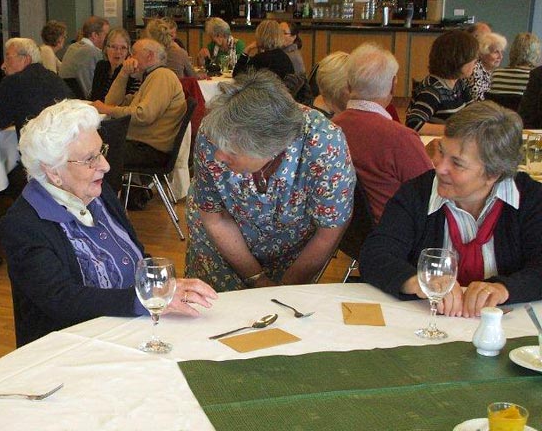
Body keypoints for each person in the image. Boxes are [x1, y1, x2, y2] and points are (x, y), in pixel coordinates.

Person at [0, 99, 218, 347]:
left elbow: (133, 257)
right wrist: (144, 299)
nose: (105, 165)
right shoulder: (24, 224)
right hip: (71, 351)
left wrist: (165, 286)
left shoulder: (99, 194)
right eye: (90, 159)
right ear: (53, 172)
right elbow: (62, 300)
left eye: (101, 152)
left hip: (132, 330)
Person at [361, 101, 542, 318]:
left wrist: (504, 288)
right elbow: (375, 254)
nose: (440, 167)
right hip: (427, 322)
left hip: (508, 327)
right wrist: (417, 281)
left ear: (493, 174)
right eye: (441, 151)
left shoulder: (531, 200)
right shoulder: (417, 193)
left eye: (457, 163)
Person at [185, 70, 355, 291]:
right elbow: (215, 218)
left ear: (270, 147)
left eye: (231, 151)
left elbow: (329, 230)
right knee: (216, 313)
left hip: (294, 254)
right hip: (222, 245)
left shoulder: (323, 144)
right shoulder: (214, 131)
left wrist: (282, 289)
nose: (218, 156)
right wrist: (256, 278)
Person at [331, 43, 433, 223]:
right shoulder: (400, 138)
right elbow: (432, 195)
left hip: (348, 235)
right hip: (397, 235)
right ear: (393, 85)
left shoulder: (329, 130)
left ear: (348, 85)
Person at [93, 38, 186, 167]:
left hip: (150, 149)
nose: (129, 58)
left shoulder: (162, 76)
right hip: (141, 143)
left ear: (150, 56)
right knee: (95, 145)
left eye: (134, 53)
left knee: (94, 152)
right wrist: (124, 73)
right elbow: (112, 102)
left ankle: (110, 187)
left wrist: (106, 109)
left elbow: (143, 115)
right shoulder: (150, 77)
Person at [0, 37, 73, 137]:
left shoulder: (13, 82)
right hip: (63, 145)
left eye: (8, 58)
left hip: (34, 149)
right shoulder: (55, 79)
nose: (3, 65)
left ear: (26, 59)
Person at [406, 30, 478, 136]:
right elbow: (414, 125)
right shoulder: (432, 90)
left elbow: (474, 111)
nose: (475, 62)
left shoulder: (459, 84)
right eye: (473, 59)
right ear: (458, 60)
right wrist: (455, 130)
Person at [60, 16, 110, 98]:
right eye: (106, 35)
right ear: (94, 35)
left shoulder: (71, 48)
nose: (108, 39)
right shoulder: (94, 53)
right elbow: (96, 90)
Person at [90, 28, 140, 102]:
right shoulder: (101, 66)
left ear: (128, 51)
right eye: (113, 47)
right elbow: (94, 97)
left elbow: (128, 104)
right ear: (106, 49)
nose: (118, 52)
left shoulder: (132, 71)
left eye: (123, 48)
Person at [465, 32, 507, 101]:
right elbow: (478, 102)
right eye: (495, 52)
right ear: (482, 53)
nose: (501, 56)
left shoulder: (487, 71)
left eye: (501, 52)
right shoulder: (475, 71)